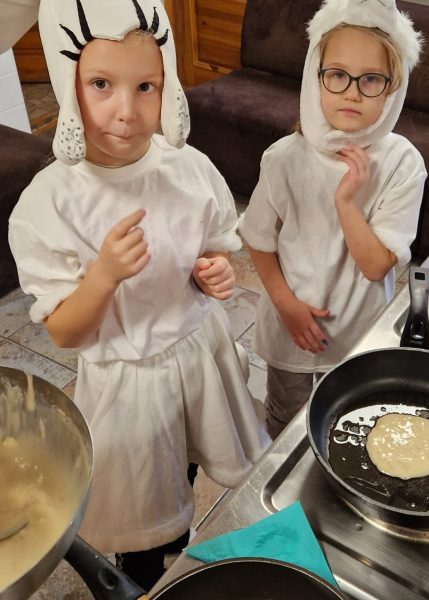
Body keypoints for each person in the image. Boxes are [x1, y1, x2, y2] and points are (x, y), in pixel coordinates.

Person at [8, 0, 270, 589]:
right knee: (146, 512)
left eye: (145, 86)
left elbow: (211, 247)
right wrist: (102, 276)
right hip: (129, 385)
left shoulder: (188, 167)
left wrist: (213, 272)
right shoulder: (51, 203)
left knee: (191, 458)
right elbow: (64, 332)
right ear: (67, 83)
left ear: (166, 83)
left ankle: (180, 539)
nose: (126, 111)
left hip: (199, 355)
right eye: (101, 84)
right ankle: (146, 573)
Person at [238, 0, 427, 439]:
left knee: (350, 424)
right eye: (338, 75)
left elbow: (376, 265)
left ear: (393, 88)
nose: (353, 92)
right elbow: (259, 239)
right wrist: (286, 306)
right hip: (291, 327)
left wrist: (347, 203)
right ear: (314, 76)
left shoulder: (402, 163)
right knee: (286, 423)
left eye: (371, 79)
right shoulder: (284, 158)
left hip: (358, 333)